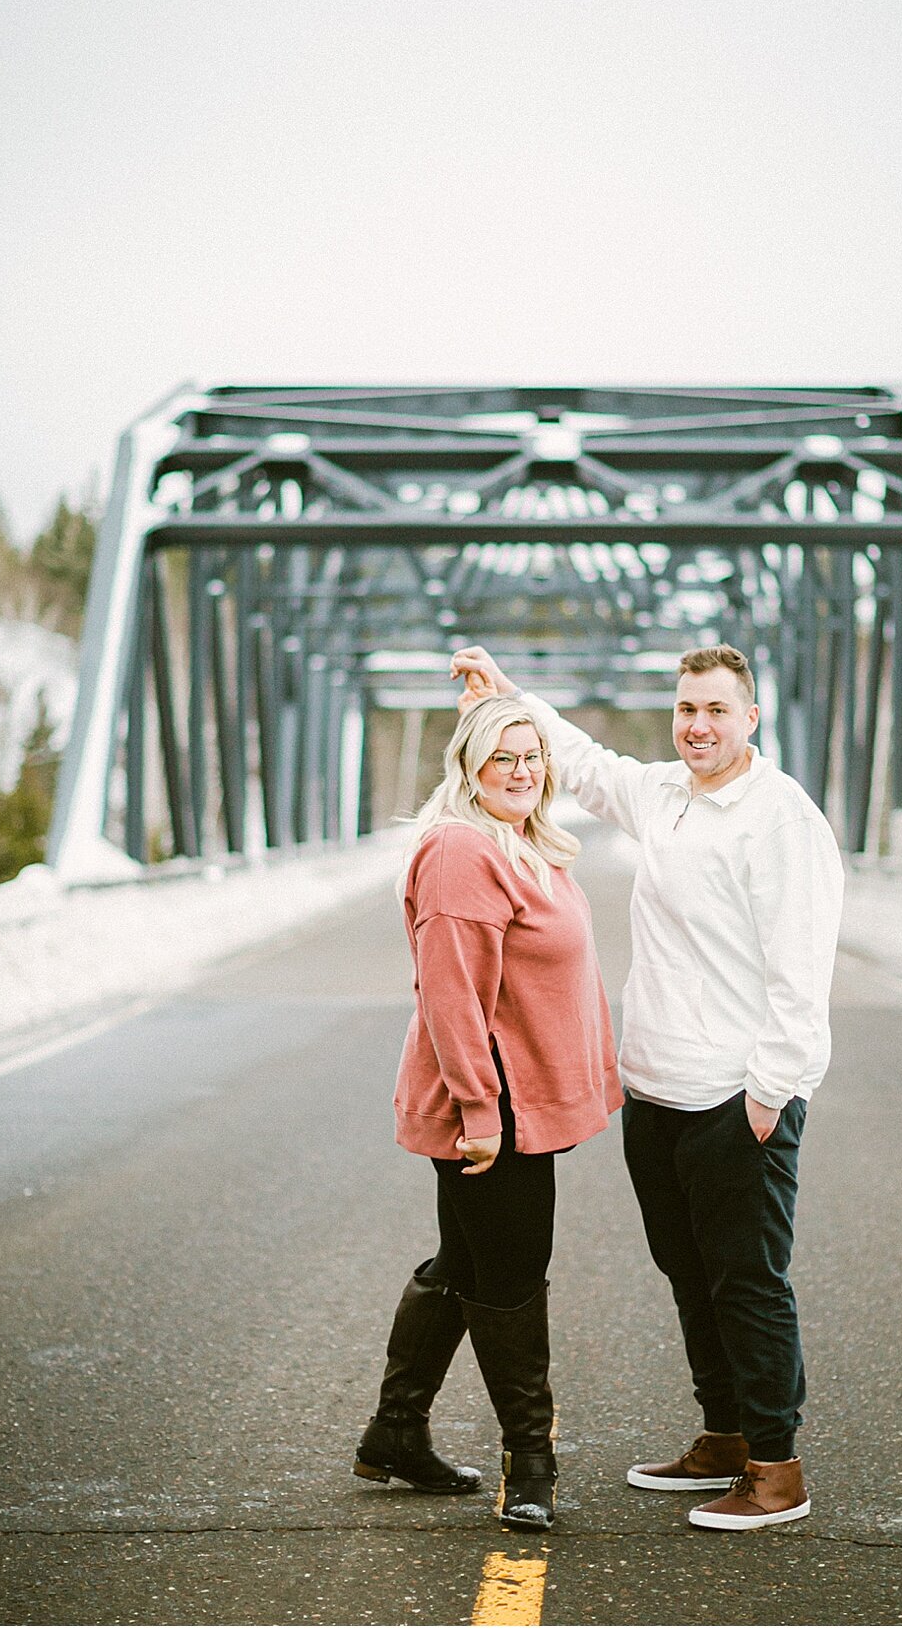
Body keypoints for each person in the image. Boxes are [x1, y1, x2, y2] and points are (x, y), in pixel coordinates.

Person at [451, 643, 844, 1533]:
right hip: (657, 1091)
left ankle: (777, 1468)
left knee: (747, 1281)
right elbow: (584, 765)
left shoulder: (781, 820)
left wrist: (771, 1091)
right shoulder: (665, 793)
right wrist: (513, 698)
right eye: (685, 710)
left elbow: (801, 970)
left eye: (715, 710)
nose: (697, 726)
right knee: (688, 1271)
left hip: (735, 1096)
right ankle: (725, 1434)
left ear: (751, 718)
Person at [354, 693, 623, 1531]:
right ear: (469, 766)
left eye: (532, 756)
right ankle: (531, 1461)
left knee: (467, 1265)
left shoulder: (522, 843)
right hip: (491, 1105)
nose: (521, 771)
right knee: (509, 1274)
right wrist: (479, 1109)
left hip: (513, 1098)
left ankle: (394, 1433)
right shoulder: (465, 850)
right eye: (503, 757)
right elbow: (452, 994)